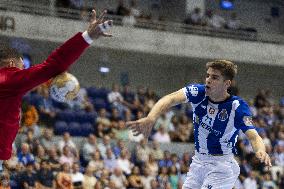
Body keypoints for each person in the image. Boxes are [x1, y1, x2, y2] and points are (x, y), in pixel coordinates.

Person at [127, 60, 272, 189]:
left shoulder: (236, 106)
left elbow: (253, 136)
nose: (208, 80)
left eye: (214, 77)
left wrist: (260, 150)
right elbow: (171, 98)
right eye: (208, 75)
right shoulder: (198, 92)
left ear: (227, 83)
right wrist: (151, 117)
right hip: (198, 162)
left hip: (222, 166)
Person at [0, 7, 113, 167]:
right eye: (22, 64)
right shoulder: (9, 79)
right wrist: (87, 37)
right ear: (11, 64)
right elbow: (53, 65)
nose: (25, 68)